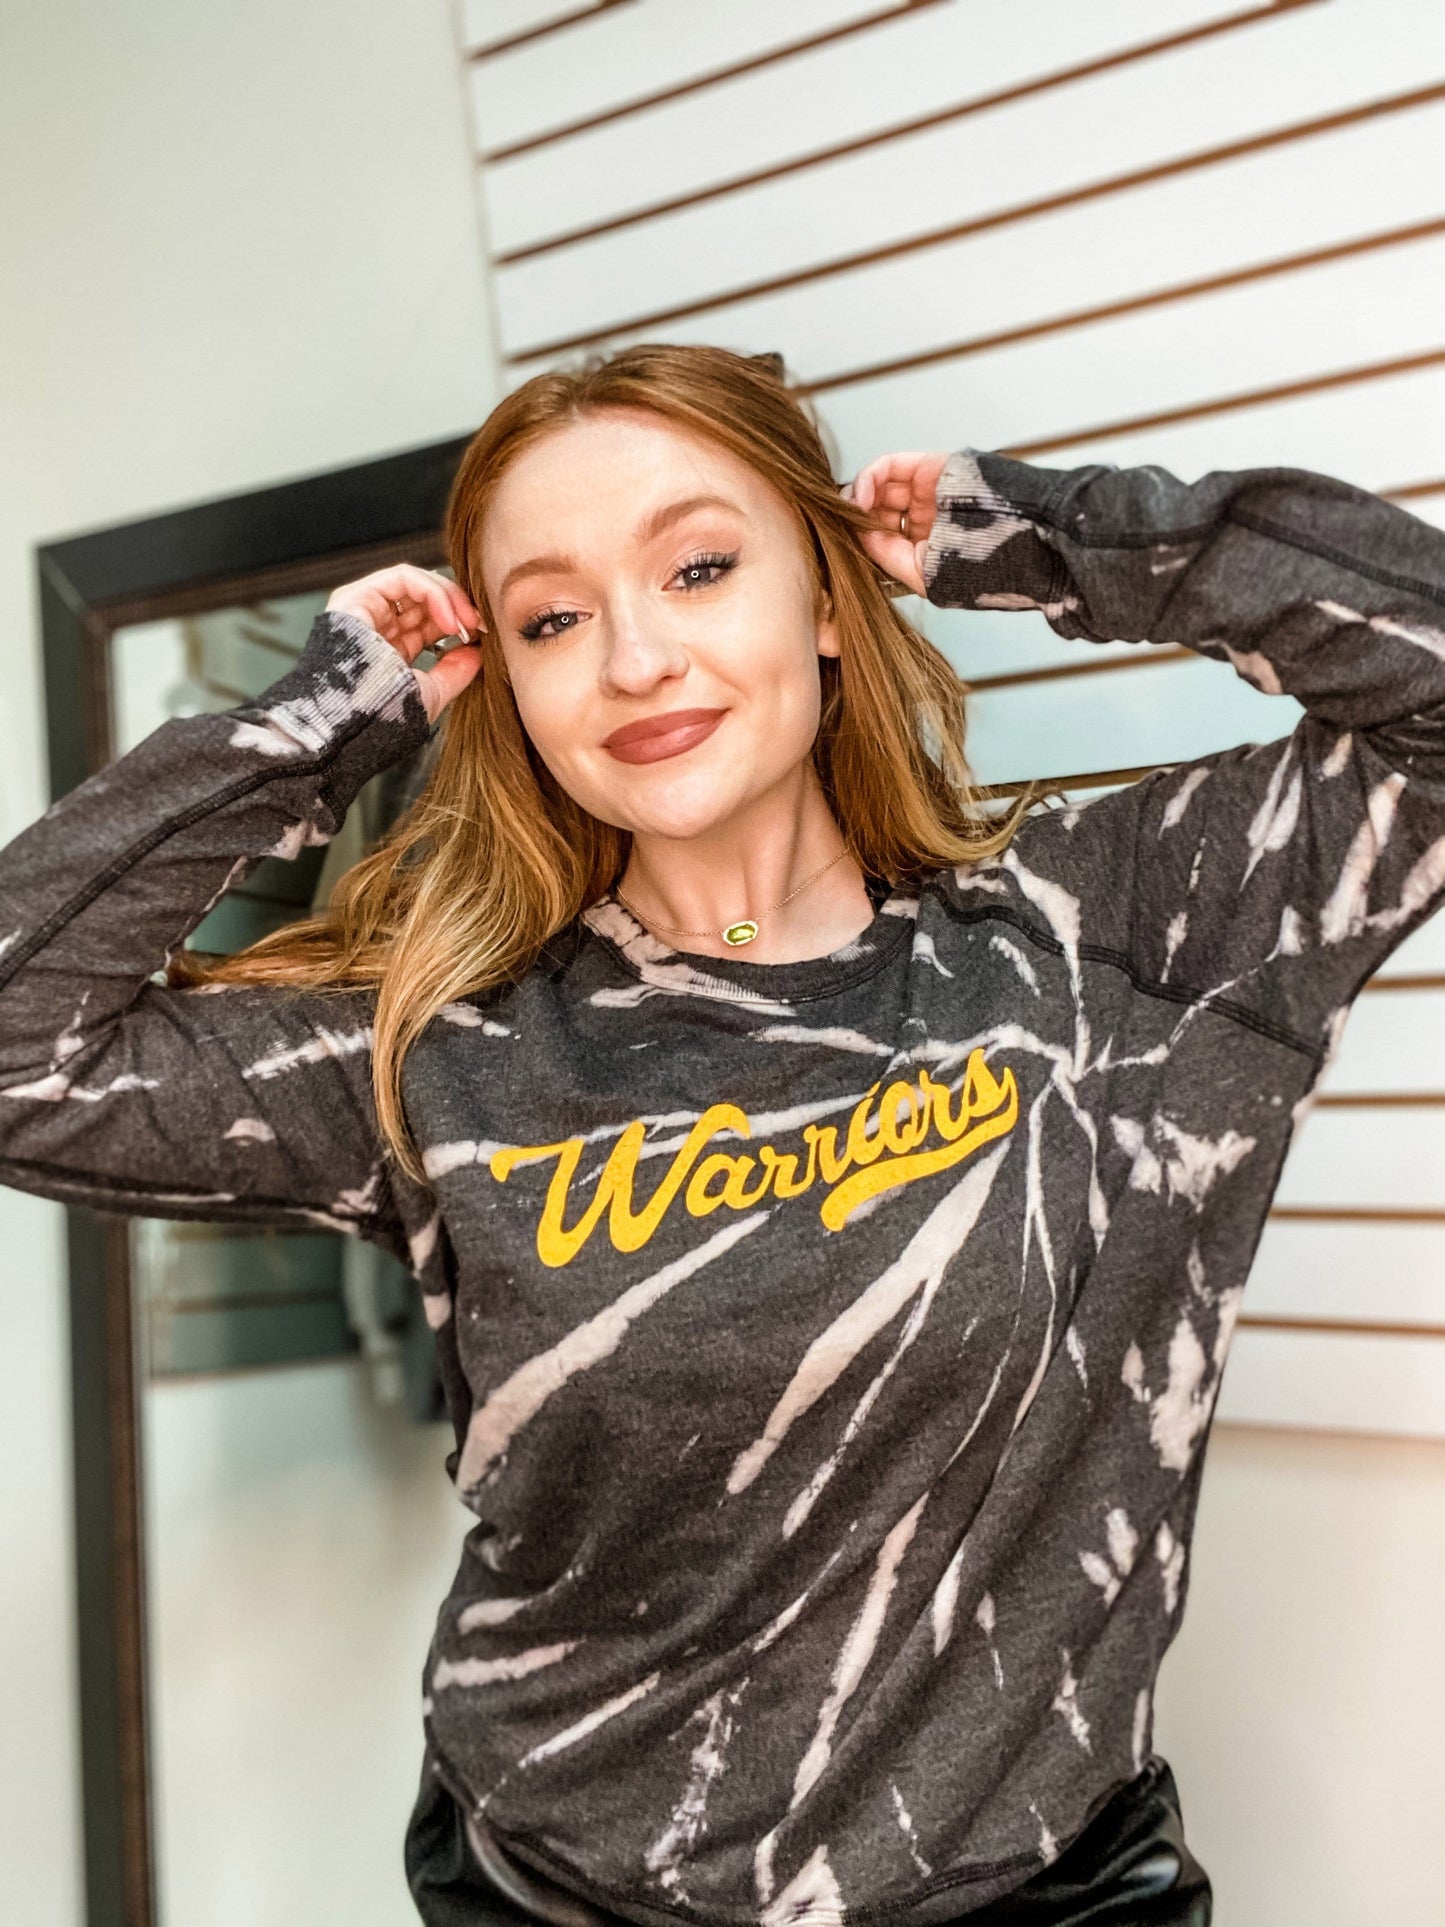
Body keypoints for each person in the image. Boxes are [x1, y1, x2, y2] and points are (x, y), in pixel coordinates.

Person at [2, 342, 1442, 1927]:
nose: (633, 659)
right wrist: (319, 723)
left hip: (1037, 1890)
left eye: (697, 568)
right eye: (552, 619)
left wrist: (1040, 537)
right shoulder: (441, 1050)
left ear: (824, 598)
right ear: (509, 685)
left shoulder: (1116, 938)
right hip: (558, 1890)